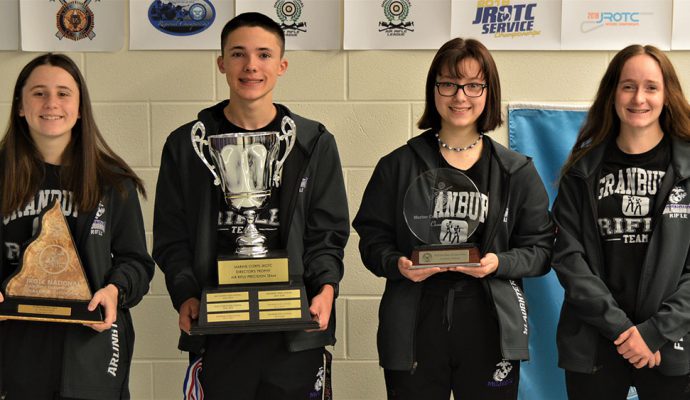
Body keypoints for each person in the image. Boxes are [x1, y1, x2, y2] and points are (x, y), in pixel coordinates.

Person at [152, 12, 349, 399]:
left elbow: (328, 233)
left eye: (263, 54)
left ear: (282, 64)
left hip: (295, 328)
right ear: (221, 62)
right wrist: (186, 292)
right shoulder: (187, 145)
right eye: (239, 54)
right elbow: (170, 235)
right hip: (218, 329)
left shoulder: (314, 143)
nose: (251, 66)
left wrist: (325, 288)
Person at [352, 38, 554, 400]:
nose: (460, 96)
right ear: (434, 90)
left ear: (488, 91)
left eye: (473, 85)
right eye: (448, 84)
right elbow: (371, 240)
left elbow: (541, 249)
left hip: (490, 325)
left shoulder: (515, 171)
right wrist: (396, 264)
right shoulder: (397, 166)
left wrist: (500, 262)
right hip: (414, 324)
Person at [0, 53, 154, 399]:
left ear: (80, 107)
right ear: (20, 106)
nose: (51, 103)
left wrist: (115, 291)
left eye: (63, 93)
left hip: (91, 352)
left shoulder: (113, 182)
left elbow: (137, 263)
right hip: (16, 350)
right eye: (39, 93)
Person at [552, 44, 690, 399]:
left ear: (667, 94)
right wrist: (623, 330)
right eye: (628, 86)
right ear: (612, 92)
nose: (638, 98)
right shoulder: (581, 172)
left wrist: (654, 332)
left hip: (671, 343)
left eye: (651, 87)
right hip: (594, 341)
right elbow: (569, 259)